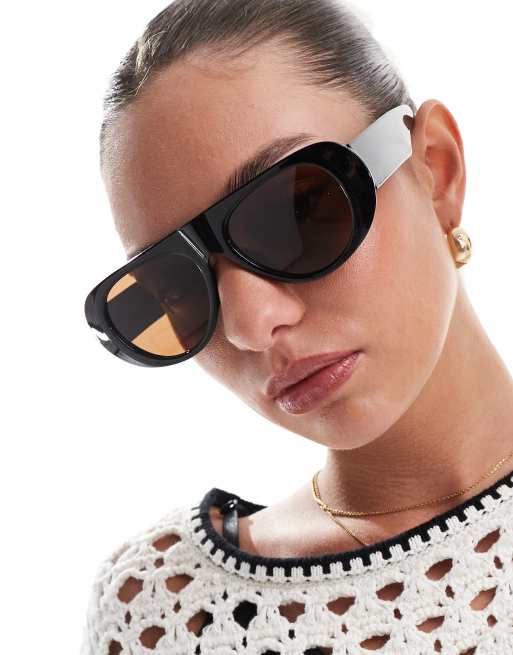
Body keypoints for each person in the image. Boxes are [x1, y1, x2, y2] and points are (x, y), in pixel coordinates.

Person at [81, 1, 513, 653]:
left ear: (435, 168)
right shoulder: (167, 614)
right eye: (174, 287)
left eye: (294, 214)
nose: (251, 326)